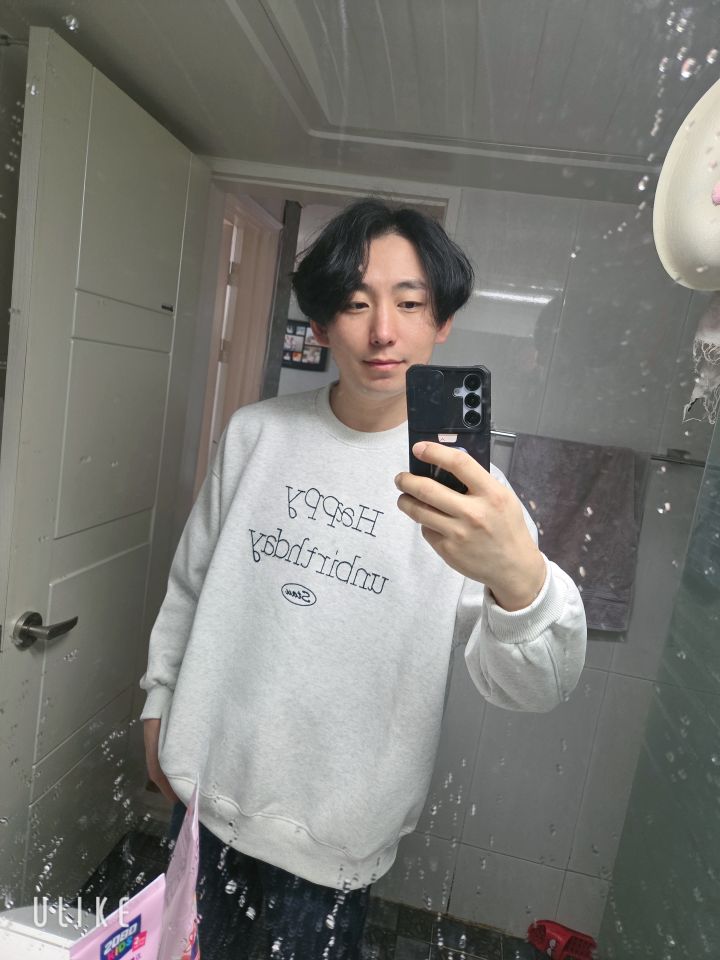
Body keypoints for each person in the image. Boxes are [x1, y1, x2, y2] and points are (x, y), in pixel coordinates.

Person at [140, 198, 587, 959]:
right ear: (320, 326)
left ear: (442, 322)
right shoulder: (256, 434)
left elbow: (533, 685)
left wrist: (520, 580)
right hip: (204, 798)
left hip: (337, 843)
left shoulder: (474, 495)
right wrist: (158, 706)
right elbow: (189, 586)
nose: (383, 331)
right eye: (354, 303)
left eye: (410, 303)